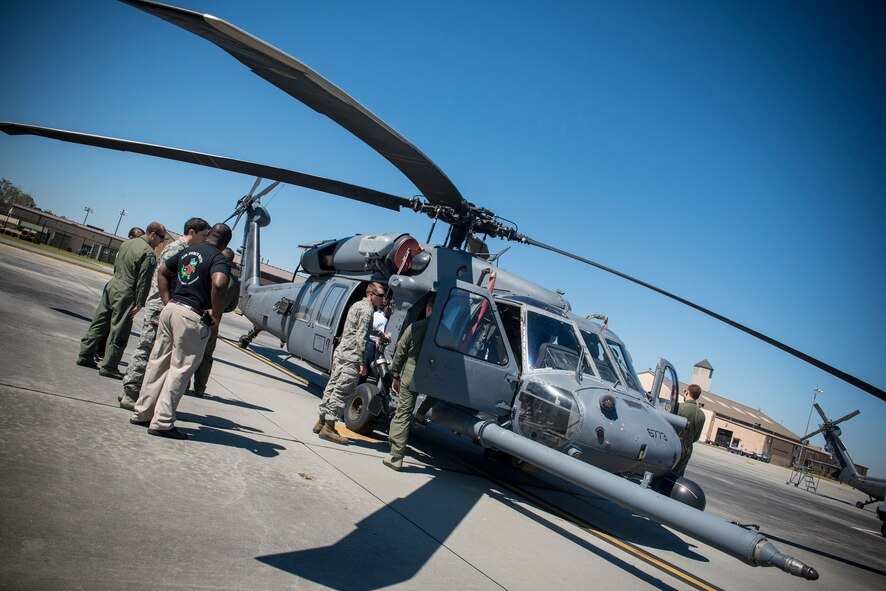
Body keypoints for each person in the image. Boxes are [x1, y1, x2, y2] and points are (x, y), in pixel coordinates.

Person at [129, 223, 232, 439]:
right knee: (180, 369)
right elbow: (220, 284)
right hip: (192, 315)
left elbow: (163, 271)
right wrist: (217, 315)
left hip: (171, 309)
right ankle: (163, 421)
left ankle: (142, 412)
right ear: (225, 242)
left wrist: (168, 301)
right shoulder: (218, 258)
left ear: (210, 234)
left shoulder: (189, 251)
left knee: (157, 362)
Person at [119, 218, 211, 410]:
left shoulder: (186, 251)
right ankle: (129, 392)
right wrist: (168, 304)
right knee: (146, 350)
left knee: (153, 352)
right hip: (160, 306)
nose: (205, 240)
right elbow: (165, 278)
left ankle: (132, 391)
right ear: (192, 232)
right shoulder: (176, 250)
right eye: (203, 235)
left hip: (165, 306)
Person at [76, 221, 166, 379]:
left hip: (113, 286)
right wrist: (140, 303)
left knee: (100, 323)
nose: (161, 241)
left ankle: (85, 354)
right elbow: (143, 281)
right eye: (161, 237)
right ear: (153, 234)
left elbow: (117, 267)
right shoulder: (148, 253)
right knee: (119, 330)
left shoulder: (127, 244)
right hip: (126, 292)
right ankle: (109, 365)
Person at [313, 282, 390, 445]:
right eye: (381, 296)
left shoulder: (358, 305)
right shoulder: (368, 310)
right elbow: (361, 336)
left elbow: (365, 328)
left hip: (342, 353)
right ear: (372, 295)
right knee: (342, 391)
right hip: (352, 357)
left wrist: (381, 334)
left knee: (332, 386)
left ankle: (320, 421)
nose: (383, 299)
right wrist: (362, 361)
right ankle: (329, 426)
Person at [383, 297, 436, 471]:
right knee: (435, 395)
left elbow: (400, 353)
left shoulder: (416, 327)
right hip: (431, 377)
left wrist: (395, 375)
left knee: (403, 413)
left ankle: (396, 457)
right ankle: (421, 415)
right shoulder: (447, 334)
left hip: (411, 374)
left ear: (429, 308)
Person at [190, 248, 240, 396]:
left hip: (196, 315)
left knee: (188, 351)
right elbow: (232, 306)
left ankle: (183, 384)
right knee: (206, 356)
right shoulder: (233, 281)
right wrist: (218, 310)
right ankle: (200, 388)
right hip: (214, 321)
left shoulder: (208, 272)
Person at [673, 383, 706, 477]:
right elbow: (696, 437)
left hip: (674, 446)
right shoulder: (701, 415)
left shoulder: (679, 408)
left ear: (686, 392)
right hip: (687, 449)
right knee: (676, 478)